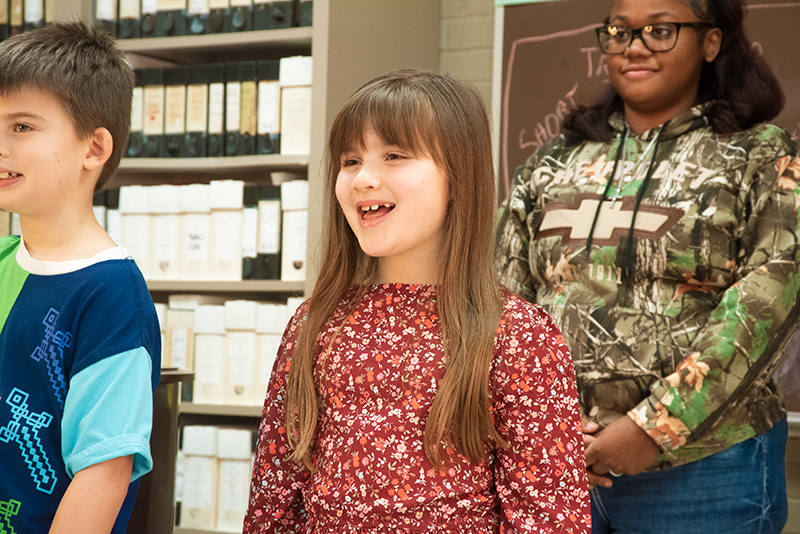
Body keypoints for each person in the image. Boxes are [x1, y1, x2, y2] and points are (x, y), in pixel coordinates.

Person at [495, 0, 800, 531]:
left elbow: (766, 302)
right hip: (557, 465)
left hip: (706, 472)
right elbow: (501, 305)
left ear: (711, 41)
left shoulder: (760, 155)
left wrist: (654, 427)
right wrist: (539, 429)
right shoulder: (552, 163)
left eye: (660, 30)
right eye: (619, 31)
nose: (634, 46)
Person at [244, 69, 590, 533]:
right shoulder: (314, 324)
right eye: (350, 161)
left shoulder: (517, 335)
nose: (364, 178)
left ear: (458, 175)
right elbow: (273, 505)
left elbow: (550, 521)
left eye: (393, 155)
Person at [0, 22, 161, 533]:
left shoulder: (112, 296)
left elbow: (103, 471)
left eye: (21, 127)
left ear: (94, 149)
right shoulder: (5, 259)